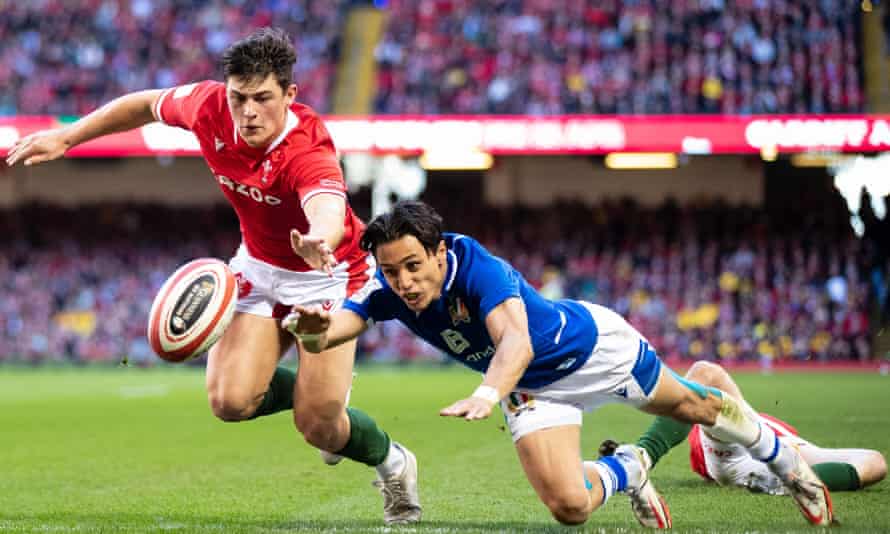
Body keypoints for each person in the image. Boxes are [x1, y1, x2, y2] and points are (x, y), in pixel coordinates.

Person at [5, 28, 421, 525]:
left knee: (319, 428)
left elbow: (328, 208)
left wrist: (319, 238)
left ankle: (393, 463)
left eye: (263, 99)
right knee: (229, 402)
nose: (248, 112)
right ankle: (322, 393)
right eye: (238, 97)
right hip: (260, 266)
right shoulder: (207, 107)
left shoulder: (308, 149)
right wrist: (67, 135)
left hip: (329, 275)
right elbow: (143, 105)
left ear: (289, 95)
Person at [282, 200, 834, 528]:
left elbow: (516, 344)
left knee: (692, 403)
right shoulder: (389, 288)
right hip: (534, 389)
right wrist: (314, 331)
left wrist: (486, 395)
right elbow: (339, 327)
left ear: (439, 253)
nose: (403, 282)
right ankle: (630, 470)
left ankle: (784, 461)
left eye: (412, 266)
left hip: (592, 351)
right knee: (570, 508)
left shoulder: (477, 268)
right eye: (391, 270)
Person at [600, 360, 886, 495]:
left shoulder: (702, 428)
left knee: (876, 462)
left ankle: (789, 482)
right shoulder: (703, 436)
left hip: (773, 454)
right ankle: (640, 457)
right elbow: (704, 460)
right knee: (705, 374)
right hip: (740, 453)